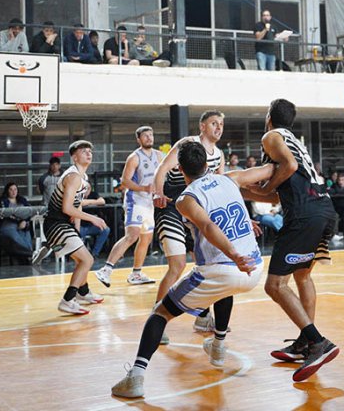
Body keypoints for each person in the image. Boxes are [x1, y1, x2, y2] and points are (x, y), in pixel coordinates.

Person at [111, 141, 271, 398]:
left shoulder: (186, 199)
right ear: (207, 164)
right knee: (223, 290)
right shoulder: (229, 178)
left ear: (180, 168)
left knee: (159, 312)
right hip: (255, 268)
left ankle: (136, 377)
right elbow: (267, 170)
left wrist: (234, 254)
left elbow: (208, 226)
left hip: (226, 266)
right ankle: (218, 345)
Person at [244, 99, 340, 382]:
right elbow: (279, 194)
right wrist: (248, 191)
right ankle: (304, 343)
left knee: (275, 285)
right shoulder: (294, 141)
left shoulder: (271, 136)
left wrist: (265, 186)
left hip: (304, 215)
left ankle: (317, 342)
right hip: (323, 210)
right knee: (302, 276)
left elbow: (289, 166)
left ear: (269, 117)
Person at [152, 111, 227, 337]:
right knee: (177, 265)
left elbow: (220, 187)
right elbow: (161, 170)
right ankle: (157, 321)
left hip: (195, 211)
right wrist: (158, 193)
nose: (218, 127)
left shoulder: (220, 155)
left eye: (221, 124)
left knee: (208, 265)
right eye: (214, 123)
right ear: (202, 126)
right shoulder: (187, 144)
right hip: (171, 205)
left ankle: (203, 318)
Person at [41, 140, 107, 314]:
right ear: (74, 157)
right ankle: (67, 300)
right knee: (87, 260)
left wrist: (77, 229)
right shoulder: (73, 177)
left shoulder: (83, 178)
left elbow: (76, 206)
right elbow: (67, 208)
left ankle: (83, 293)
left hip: (64, 224)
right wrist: (93, 218)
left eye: (90, 151)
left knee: (81, 260)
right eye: (84, 151)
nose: (89, 153)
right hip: (55, 224)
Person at [95, 127, 162, 288]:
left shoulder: (159, 156)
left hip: (149, 203)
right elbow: (125, 181)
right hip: (135, 200)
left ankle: (136, 273)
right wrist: (144, 188)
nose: (149, 138)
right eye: (145, 136)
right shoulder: (134, 157)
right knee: (132, 236)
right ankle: (106, 269)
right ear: (138, 139)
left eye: (151, 135)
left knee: (146, 238)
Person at [0, 182, 33, 259]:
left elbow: (29, 211)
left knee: (26, 234)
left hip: (22, 224)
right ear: (7, 191)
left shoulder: (22, 200)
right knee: (16, 237)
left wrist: (24, 221)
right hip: (8, 225)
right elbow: (6, 214)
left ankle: (30, 255)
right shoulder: (3, 201)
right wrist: (19, 221)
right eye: (11, 189)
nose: (13, 191)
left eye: (15, 189)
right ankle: (31, 254)